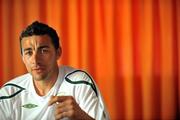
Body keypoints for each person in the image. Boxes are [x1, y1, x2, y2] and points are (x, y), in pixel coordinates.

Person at [0, 21, 109, 120]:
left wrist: (82, 117)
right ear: (23, 58)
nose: (35, 60)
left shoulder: (80, 83)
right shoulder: (9, 93)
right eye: (29, 52)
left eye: (43, 51)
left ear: (58, 53)